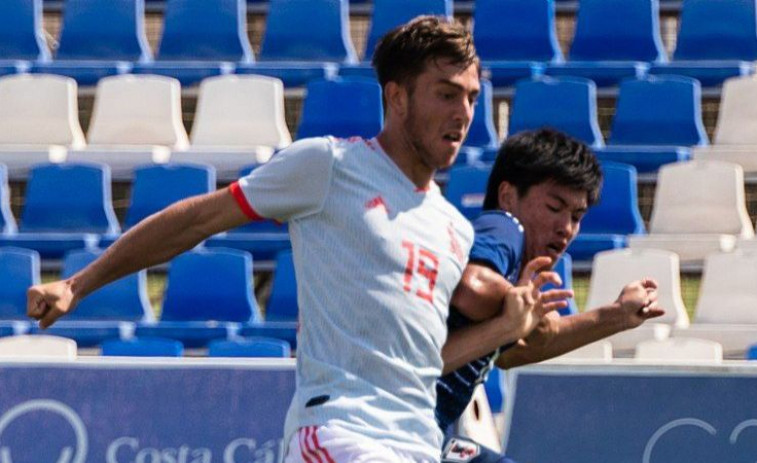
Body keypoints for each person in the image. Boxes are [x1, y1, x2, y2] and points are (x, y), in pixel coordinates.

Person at [26, 16, 555, 463]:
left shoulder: (453, 227)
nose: (464, 114)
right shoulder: (329, 166)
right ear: (396, 97)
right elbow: (195, 221)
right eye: (446, 95)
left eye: (471, 97)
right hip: (338, 433)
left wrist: (524, 327)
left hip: (416, 442)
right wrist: (79, 282)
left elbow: (427, 361)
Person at [436, 128, 666, 463]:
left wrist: (616, 315)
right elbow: (472, 286)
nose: (566, 228)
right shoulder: (505, 229)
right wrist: (521, 308)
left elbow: (524, 347)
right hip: (392, 430)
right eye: (555, 207)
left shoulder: (516, 268)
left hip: (425, 431)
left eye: (576, 217)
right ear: (508, 196)